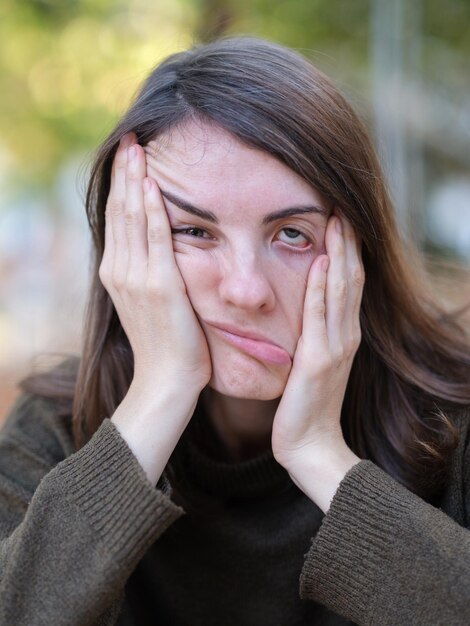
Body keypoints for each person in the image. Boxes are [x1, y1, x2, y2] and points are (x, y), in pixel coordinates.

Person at [1, 35, 469, 626]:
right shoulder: (55, 430)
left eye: (292, 234)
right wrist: (159, 395)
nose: (246, 291)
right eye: (194, 231)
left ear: (360, 251)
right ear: (125, 244)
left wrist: (320, 455)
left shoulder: (455, 427)